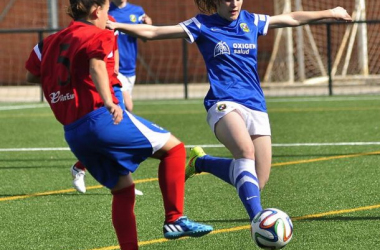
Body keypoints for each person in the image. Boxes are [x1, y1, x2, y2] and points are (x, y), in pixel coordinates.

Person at [106, 0, 352, 223]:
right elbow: (154, 31)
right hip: (223, 103)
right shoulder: (202, 24)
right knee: (245, 151)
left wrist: (331, 12)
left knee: (257, 180)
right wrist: (115, 26)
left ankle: (201, 162)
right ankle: (259, 219)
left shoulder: (251, 21)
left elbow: (291, 18)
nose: (233, 3)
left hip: (255, 104)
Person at [25, 1, 213, 249]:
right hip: (101, 118)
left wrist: (65, 91)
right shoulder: (99, 34)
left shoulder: (48, 42)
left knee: (123, 188)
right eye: (106, 11)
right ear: (96, 11)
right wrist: (108, 101)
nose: (108, 16)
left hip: (73, 132)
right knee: (175, 150)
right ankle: (174, 218)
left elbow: (31, 75)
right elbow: (96, 66)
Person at [70, 14, 143, 196]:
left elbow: (114, 45)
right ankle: (82, 168)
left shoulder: (109, 19)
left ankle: (83, 168)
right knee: (111, 132)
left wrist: (116, 66)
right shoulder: (84, 24)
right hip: (96, 83)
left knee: (119, 128)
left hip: (113, 80)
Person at [109, 0, 153, 112]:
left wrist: (148, 26)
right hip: (115, 67)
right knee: (128, 105)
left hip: (130, 67)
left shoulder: (137, 11)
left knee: (123, 108)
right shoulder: (106, 10)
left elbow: (145, 38)